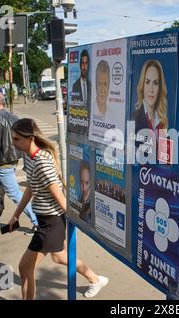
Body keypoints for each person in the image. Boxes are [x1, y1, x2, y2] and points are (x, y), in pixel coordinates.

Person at [7, 118, 108, 299]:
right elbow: (31, 187)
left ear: (30, 138)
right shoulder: (30, 158)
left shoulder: (42, 163)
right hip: (45, 220)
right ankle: (95, 279)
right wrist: (16, 215)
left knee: (24, 268)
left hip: (51, 223)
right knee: (60, 257)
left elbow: (60, 196)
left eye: (16, 139)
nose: (13, 143)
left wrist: (81, 222)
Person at [0, 92, 38, 233]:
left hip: (3, 163)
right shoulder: (12, 116)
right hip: (12, 160)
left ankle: (38, 222)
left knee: (15, 194)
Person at [134, 60, 169, 136]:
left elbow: (164, 147)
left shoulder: (162, 120)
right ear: (142, 85)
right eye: (147, 82)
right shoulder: (133, 119)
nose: (151, 89)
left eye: (155, 83)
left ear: (160, 87)